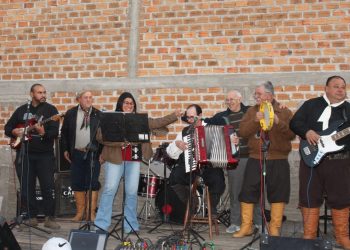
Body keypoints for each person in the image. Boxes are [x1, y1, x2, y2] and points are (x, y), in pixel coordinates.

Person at [94, 92, 181, 233]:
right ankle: (101, 224)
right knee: (110, 190)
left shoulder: (139, 119)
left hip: (133, 160)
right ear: (120, 104)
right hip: (115, 159)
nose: (129, 105)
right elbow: (100, 136)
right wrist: (120, 143)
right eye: (126, 103)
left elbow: (158, 122)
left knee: (132, 192)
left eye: (131, 103)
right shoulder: (110, 118)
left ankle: (131, 225)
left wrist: (174, 115)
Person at [290, 76, 350, 249]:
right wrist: (307, 131)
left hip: (339, 162)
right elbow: (295, 123)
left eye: (343, 87)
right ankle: (309, 237)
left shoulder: (348, 109)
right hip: (311, 162)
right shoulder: (311, 105)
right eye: (336, 86)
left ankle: (342, 236)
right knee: (309, 197)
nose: (340, 90)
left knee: (341, 198)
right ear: (326, 88)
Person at [233, 81, 295, 238]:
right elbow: (242, 132)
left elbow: (291, 134)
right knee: (248, 191)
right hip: (256, 157)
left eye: (259, 94)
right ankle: (246, 226)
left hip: (278, 158)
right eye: (256, 94)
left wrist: (278, 122)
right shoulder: (252, 111)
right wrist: (255, 120)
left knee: (278, 193)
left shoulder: (284, 111)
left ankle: (274, 228)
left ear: (269, 95)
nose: (256, 97)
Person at [204, 90, 261, 234]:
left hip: (253, 156)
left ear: (240, 99)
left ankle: (259, 222)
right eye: (227, 100)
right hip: (235, 159)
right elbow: (206, 124)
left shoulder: (250, 111)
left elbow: (262, 124)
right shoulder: (222, 116)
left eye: (232, 99)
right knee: (235, 191)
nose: (229, 102)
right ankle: (236, 222)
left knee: (256, 190)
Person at [4, 84, 61, 229]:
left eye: (44, 92)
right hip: (25, 154)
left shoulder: (51, 110)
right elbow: (7, 128)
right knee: (26, 187)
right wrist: (15, 132)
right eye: (39, 92)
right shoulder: (22, 110)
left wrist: (43, 133)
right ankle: (31, 216)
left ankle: (50, 218)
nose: (43, 95)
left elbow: (54, 133)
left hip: (45, 156)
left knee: (48, 186)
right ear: (32, 94)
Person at [166, 104, 226, 218]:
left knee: (218, 179)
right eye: (188, 117)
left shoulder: (212, 128)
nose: (190, 120)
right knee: (175, 176)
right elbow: (170, 153)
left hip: (208, 166)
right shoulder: (185, 132)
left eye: (192, 117)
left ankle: (212, 207)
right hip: (191, 165)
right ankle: (192, 204)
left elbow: (223, 146)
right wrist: (178, 144)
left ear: (200, 115)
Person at [60, 91, 102, 222]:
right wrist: (65, 149)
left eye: (91, 97)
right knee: (77, 182)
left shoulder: (98, 114)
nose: (89, 100)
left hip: (93, 153)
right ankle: (80, 212)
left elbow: (104, 136)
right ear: (78, 99)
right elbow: (64, 133)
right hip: (77, 153)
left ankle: (91, 213)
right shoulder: (71, 113)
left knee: (93, 183)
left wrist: (102, 154)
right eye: (86, 97)